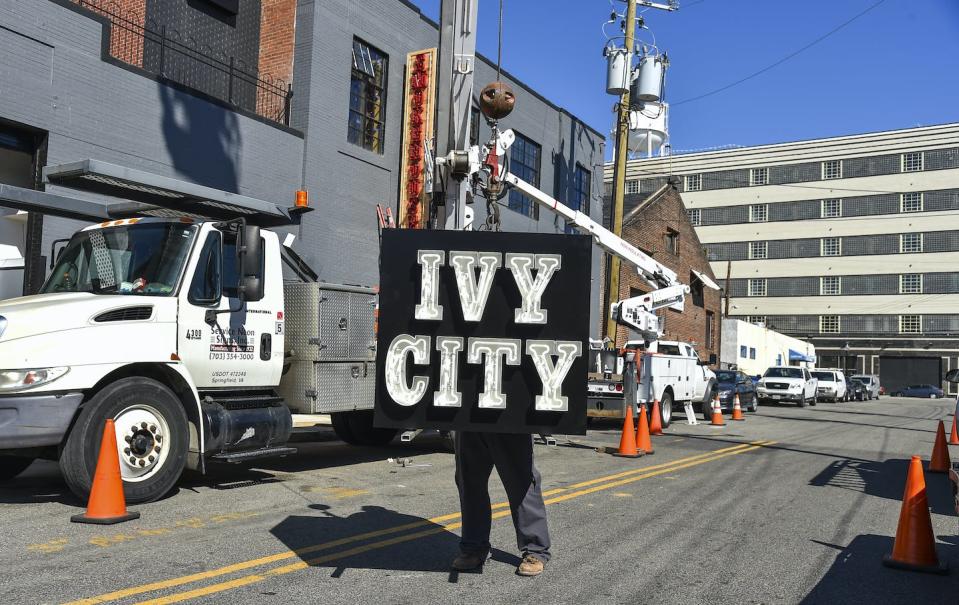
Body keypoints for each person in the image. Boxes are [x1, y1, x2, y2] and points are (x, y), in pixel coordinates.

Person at [451, 431, 551, 576]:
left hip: (512, 418)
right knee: (469, 483)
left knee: (521, 483)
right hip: (469, 417)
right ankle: (474, 548)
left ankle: (536, 550)